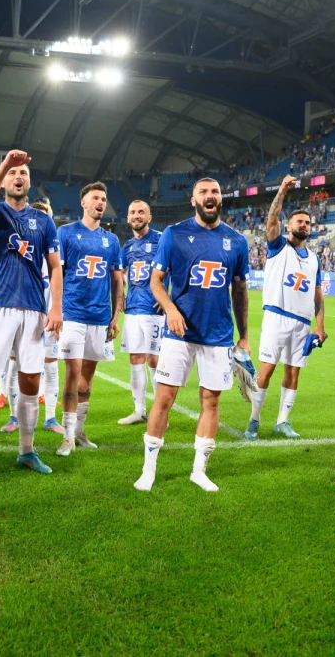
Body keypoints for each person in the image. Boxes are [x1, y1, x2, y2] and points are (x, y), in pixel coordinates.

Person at [133, 177, 250, 493]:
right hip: (180, 333)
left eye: (215, 191)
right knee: (164, 398)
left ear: (220, 199)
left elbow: (239, 291)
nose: (210, 196)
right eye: (204, 192)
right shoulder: (174, 234)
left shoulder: (237, 240)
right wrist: (170, 309)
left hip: (219, 335)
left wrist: (244, 336)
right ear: (194, 200)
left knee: (211, 400)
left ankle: (199, 471)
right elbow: (156, 281)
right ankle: (148, 470)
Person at [0, 150, 62, 479]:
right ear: (5, 180)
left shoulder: (44, 221)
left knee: (31, 382)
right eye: (12, 174)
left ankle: (27, 451)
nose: (18, 177)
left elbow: (55, 267)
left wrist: (56, 307)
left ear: (29, 182)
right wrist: (6, 163)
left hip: (34, 309)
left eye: (23, 173)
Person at [249, 176, 326, 440]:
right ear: (289, 226)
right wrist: (281, 191)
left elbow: (317, 293)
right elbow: (272, 219)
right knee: (267, 369)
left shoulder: (314, 259)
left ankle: (282, 421)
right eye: (299, 221)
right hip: (277, 316)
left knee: (293, 372)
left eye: (307, 222)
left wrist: (320, 326)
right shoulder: (278, 245)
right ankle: (254, 419)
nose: (304, 225)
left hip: (303, 323)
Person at [55, 182, 123, 456]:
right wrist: (56, 310)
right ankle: (67, 436)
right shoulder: (66, 232)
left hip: (100, 318)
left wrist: (115, 316)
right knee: (72, 373)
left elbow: (117, 280)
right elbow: (57, 274)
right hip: (72, 314)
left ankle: (79, 431)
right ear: (83, 202)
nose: (101, 202)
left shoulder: (111, 240)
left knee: (87, 377)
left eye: (104, 199)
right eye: (95, 198)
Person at [117, 200, 163, 426]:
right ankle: (139, 410)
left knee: (155, 359)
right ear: (128, 218)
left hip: (155, 310)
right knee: (135, 359)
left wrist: (168, 298)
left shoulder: (161, 240)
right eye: (133, 212)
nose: (136, 215)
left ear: (149, 217)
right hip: (133, 310)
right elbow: (120, 273)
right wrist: (121, 294)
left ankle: (160, 413)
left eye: (141, 212)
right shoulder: (127, 246)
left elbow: (177, 268)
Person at [34, 200, 65, 435]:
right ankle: (16, 416)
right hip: (25, 314)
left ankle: (51, 418)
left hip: (49, 317)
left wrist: (57, 310)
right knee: (17, 366)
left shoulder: (55, 252)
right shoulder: (22, 247)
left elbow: (61, 282)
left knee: (51, 366)